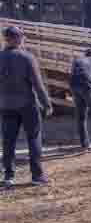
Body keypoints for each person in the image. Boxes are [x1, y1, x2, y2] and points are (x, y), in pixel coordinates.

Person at [0, 26, 52, 188]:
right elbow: (38, 84)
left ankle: (8, 176)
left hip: (6, 105)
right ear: (17, 38)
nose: (23, 40)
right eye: (22, 37)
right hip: (27, 105)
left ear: (6, 39)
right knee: (34, 138)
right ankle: (37, 176)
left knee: (8, 141)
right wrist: (47, 104)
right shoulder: (27, 57)